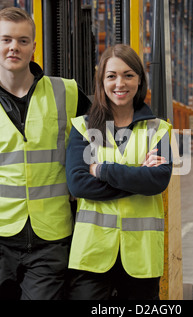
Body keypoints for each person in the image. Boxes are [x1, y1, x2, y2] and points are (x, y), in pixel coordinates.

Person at [0, 7, 91, 300]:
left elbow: (105, 136)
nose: (14, 47)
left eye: (23, 40)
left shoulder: (68, 94)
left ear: (34, 47)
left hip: (49, 240)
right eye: (7, 40)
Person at [65, 44, 172, 300]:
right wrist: (137, 178)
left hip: (141, 256)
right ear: (101, 81)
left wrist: (100, 169)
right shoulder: (82, 127)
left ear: (139, 80)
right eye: (111, 76)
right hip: (92, 252)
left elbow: (157, 181)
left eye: (128, 75)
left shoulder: (161, 130)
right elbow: (79, 185)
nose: (119, 83)